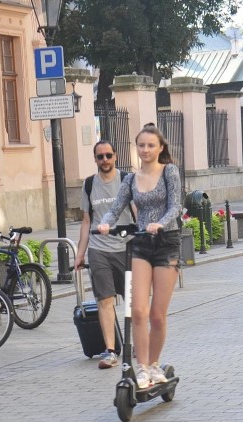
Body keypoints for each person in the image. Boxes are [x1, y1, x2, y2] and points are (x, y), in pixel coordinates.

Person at [97, 124, 182, 389]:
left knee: (157, 314)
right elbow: (115, 208)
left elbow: (175, 206)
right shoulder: (130, 180)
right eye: (141, 145)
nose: (145, 150)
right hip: (141, 244)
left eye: (150, 145)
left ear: (160, 148)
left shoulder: (169, 172)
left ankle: (155, 363)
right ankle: (142, 368)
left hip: (166, 242)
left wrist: (161, 223)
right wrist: (105, 223)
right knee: (137, 310)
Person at [74, 141, 134, 369]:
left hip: (126, 247)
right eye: (100, 157)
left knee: (133, 301)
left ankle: (136, 344)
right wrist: (79, 254)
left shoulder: (127, 180)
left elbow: (137, 213)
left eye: (108, 155)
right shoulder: (89, 184)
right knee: (105, 300)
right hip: (99, 249)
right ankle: (111, 351)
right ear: (95, 159)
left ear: (115, 156)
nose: (105, 160)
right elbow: (86, 221)